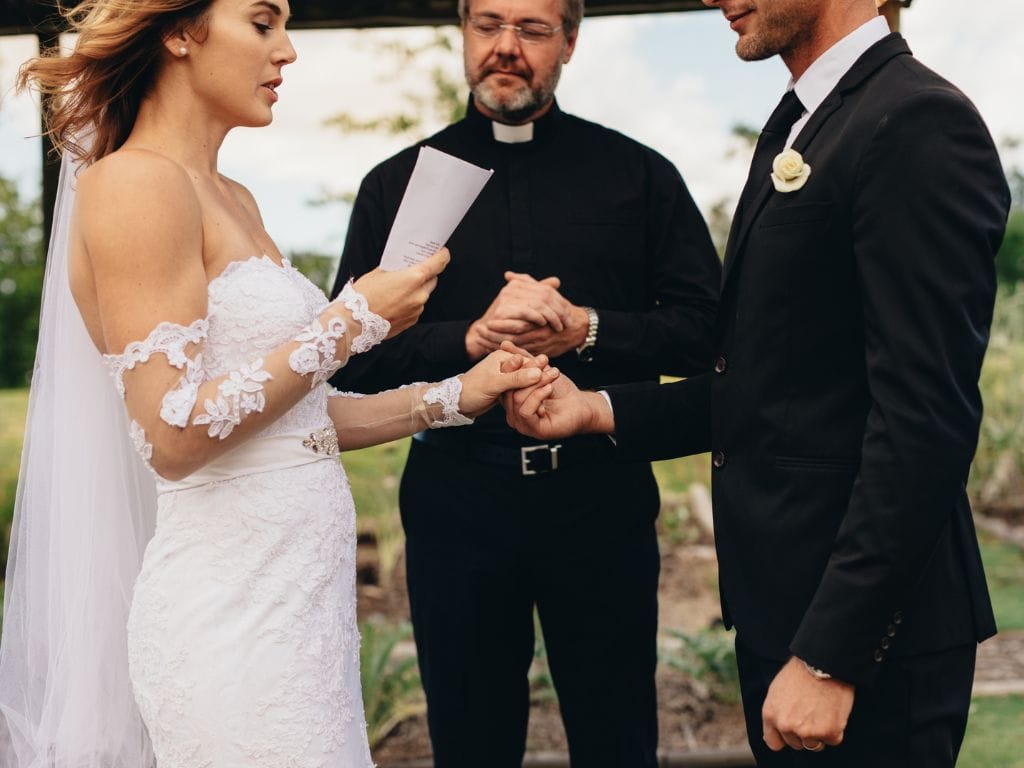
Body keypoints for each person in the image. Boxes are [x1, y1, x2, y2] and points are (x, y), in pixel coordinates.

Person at [0, 1, 550, 766]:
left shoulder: (238, 199)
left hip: (305, 618)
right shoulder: (133, 185)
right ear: (181, 30)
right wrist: (354, 320)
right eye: (263, 23)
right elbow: (172, 434)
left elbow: (300, 427)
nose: (287, 51)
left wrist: (461, 393)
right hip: (228, 621)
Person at [503, 0, 1011, 764]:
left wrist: (833, 654)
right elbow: (771, 390)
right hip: (782, 616)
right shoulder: (799, 123)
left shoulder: (915, 121)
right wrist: (595, 410)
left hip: (865, 642)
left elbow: (925, 418)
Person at [330, 0, 720, 764]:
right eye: (488, 25)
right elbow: (353, 355)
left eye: (534, 30)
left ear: (569, 40)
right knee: (470, 743)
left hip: (600, 498)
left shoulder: (640, 177)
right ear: (463, 33)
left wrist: (589, 328)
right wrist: (467, 339)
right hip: (456, 504)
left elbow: (709, 333)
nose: (506, 48)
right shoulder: (396, 184)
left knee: (617, 738)